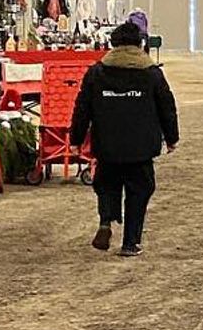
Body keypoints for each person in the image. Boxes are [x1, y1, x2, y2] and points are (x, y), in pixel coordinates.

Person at [71, 20, 178, 259]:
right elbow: (167, 107)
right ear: (140, 44)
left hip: (107, 145)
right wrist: (171, 138)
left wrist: (76, 138)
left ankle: (106, 222)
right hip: (140, 148)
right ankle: (130, 242)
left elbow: (82, 108)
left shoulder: (97, 72)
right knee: (139, 190)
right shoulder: (151, 73)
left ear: (113, 44)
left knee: (107, 185)